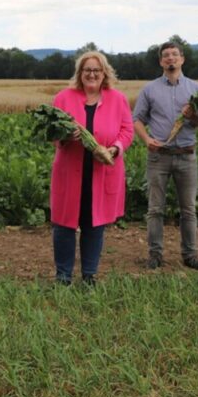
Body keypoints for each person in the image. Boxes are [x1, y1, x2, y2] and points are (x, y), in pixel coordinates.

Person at [49, 51, 134, 285]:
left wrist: (114, 149)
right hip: (69, 171)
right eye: (87, 70)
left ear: (104, 72)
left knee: (94, 223)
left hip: (102, 171)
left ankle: (89, 275)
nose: (92, 74)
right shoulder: (63, 98)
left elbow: (127, 131)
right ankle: (63, 275)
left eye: (97, 70)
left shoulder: (117, 99)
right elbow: (52, 133)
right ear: (80, 73)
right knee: (64, 224)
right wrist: (64, 135)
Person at [133, 41, 198, 271]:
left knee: (188, 209)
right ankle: (155, 255)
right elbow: (136, 119)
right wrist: (147, 140)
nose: (170, 59)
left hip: (187, 156)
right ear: (160, 62)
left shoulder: (197, 89)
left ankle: (190, 255)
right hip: (159, 157)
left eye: (174, 55)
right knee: (155, 209)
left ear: (182, 59)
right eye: (166, 55)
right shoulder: (150, 90)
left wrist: (193, 116)